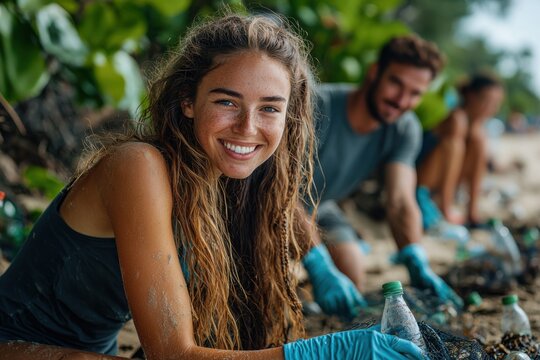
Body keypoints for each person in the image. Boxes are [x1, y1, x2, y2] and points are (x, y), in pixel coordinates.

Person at [0, 13, 424, 360]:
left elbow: (284, 213)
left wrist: (320, 261)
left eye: (270, 109)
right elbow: (172, 355)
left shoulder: (225, 177)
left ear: (289, 116)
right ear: (187, 100)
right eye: (227, 102)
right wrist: (322, 353)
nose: (247, 127)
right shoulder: (138, 166)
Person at [301, 34, 463, 319]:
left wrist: (415, 256)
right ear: (375, 72)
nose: (401, 100)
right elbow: (278, 195)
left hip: (321, 205)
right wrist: (317, 262)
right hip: (270, 203)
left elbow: (400, 200)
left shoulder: (403, 128)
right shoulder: (317, 105)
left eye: (415, 93)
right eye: (395, 84)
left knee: (351, 274)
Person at [416, 72, 504, 228]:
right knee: (458, 143)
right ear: (471, 96)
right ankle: (445, 206)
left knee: (479, 139)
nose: (489, 108)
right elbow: (450, 153)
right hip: (421, 179)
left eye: (495, 103)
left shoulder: (478, 130)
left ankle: (472, 210)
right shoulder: (456, 117)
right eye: (486, 100)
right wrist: (447, 207)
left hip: (437, 184)